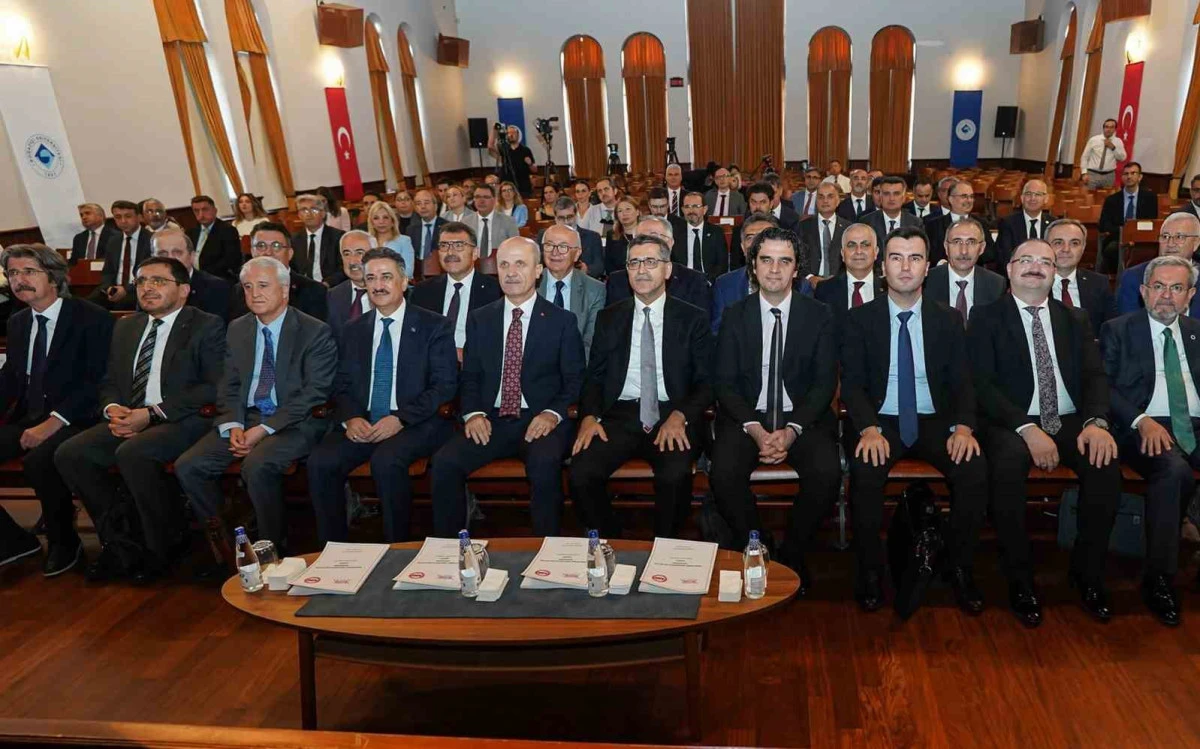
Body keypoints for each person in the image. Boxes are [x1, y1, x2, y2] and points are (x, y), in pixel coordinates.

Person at [969, 239, 1121, 627]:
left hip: (1070, 419)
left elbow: (1094, 376)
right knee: (1007, 464)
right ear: (1009, 269)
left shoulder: (1076, 319)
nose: (1035, 267)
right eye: (1026, 260)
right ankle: (1020, 580)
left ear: (1055, 272)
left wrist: (1096, 422)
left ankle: (1087, 574)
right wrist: (1027, 428)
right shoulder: (985, 317)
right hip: (1011, 420)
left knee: (1104, 464)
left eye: (1045, 262)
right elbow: (982, 384)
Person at [841, 227, 988, 613]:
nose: (905, 267)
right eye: (896, 258)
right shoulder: (859, 319)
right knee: (865, 470)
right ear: (882, 266)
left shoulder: (948, 319)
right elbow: (852, 386)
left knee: (973, 468)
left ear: (927, 268)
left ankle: (959, 567)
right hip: (882, 420)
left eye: (915, 258)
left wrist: (964, 427)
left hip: (934, 419)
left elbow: (963, 382)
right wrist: (868, 428)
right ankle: (870, 571)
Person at [54, 256, 224, 582]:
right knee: (71, 453)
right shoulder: (126, 326)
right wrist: (112, 408)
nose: (147, 287)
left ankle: (163, 546)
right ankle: (122, 544)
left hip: (182, 419)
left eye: (158, 281)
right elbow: (109, 380)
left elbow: (212, 387)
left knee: (134, 453)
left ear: (184, 289)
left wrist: (152, 413)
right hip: (130, 416)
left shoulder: (206, 325)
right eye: (142, 281)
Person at [175, 256, 337, 550]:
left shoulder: (314, 331)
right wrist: (233, 424)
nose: (255, 294)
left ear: (285, 290)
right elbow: (229, 384)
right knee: (189, 465)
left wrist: (264, 430)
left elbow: (314, 394)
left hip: (294, 422)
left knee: (257, 465)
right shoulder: (238, 328)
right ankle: (228, 543)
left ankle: (271, 547)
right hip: (246, 418)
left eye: (263, 285)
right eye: (248, 287)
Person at [710, 227, 839, 585]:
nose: (775, 269)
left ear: (797, 269)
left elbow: (823, 384)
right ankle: (758, 546)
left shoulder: (820, 315)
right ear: (753, 266)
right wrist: (755, 429)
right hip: (746, 417)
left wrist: (792, 430)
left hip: (803, 417)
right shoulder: (735, 315)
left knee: (827, 473)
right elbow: (724, 383)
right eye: (766, 260)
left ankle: (794, 552)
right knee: (722, 473)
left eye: (785, 261)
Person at [430, 237, 584, 536]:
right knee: (444, 462)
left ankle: (546, 547)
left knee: (544, 463)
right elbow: (470, 375)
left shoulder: (561, 321)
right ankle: (450, 549)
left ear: (538, 270)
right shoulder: (480, 319)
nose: (511, 272)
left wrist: (552, 414)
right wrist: (473, 413)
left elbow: (575, 379)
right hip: (491, 419)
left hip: (540, 419)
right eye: (504, 265)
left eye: (520, 264)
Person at [308, 247, 457, 543]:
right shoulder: (353, 329)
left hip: (415, 421)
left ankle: (397, 546)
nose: (378, 285)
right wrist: (351, 417)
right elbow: (341, 383)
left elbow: (444, 385)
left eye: (386, 277)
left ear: (405, 281)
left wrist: (400, 419)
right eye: (371, 278)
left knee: (386, 461)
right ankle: (333, 548)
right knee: (320, 462)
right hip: (364, 421)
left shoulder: (434, 326)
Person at [570, 234, 713, 537]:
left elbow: (707, 381)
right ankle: (612, 542)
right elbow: (594, 376)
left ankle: (665, 546)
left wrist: (681, 416)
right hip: (619, 415)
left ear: (667, 269)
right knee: (581, 471)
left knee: (675, 475)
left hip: (672, 414)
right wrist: (589, 416)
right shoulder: (609, 318)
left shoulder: (692, 318)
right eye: (634, 263)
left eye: (650, 262)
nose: (642, 270)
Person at [0, 245, 113, 576]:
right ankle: (13, 541)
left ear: (54, 276)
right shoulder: (19, 322)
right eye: (13, 273)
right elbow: (11, 379)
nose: (19, 280)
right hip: (29, 415)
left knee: (40, 460)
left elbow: (98, 381)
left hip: (79, 418)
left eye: (29, 271)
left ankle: (64, 541)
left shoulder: (91, 317)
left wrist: (55, 421)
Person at [1101, 255, 1200, 626]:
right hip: (1141, 425)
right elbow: (1104, 387)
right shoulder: (1118, 330)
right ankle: (1159, 579)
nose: (1166, 296)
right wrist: (1140, 421)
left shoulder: (1197, 333)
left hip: (1194, 424)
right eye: (1158, 286)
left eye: (1176, 288)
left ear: (1190, 295)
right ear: (1143, 291)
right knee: (1174, 472)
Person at [408, 222, 502, 352]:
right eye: (444, 246)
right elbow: (415, 337)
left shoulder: (496, 291)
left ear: (475, 253)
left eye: (459, 245)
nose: (450, 252)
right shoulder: (423, 291)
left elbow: (496, 340)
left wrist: (465, 355)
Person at [606, 217, 711, 313]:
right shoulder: (618, 281)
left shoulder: (694, 281)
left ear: (670, 242)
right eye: (640, 239)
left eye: (653, 238)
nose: (646, 245)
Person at [232, 222, 328, 322]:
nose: (268, 252)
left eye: (276, 246)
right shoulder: (239, 291)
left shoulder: (314, 290)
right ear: (252, 252)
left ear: (290, 253)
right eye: (261, 246)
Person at [539, 224, 605, 359]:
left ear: (577, 254)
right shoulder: (529, 284)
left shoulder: (594, 290)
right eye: (549, 245)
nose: (555, 252)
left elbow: (590, 343)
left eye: (563, 247)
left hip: (575, 365)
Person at [1116, 212, 1200, 317]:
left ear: (1196, 243)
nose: (1170, 243)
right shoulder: (1133, 277)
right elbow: (1128, 323)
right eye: (1165, 236)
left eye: (1179, 237)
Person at [923, 218, 1007, 322]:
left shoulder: (996, 284)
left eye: (971, 242)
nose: (963, 251)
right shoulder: (926, 281)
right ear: (946, 247)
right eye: (956, 242)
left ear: (982, 248)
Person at [813, 222, 885, 338]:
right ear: (842, 254)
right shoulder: (825, 290)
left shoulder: (889, 289)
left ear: (876, 252)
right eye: (851, 245)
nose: (858, 251)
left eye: (865, 245)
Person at [1047, 218, 1117, 334]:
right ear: (1046, 247)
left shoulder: (1099, 283)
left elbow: (1111, 330)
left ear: (1083, 248)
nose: (1066, 249)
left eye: (1074, 243)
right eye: (1058, 243)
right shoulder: (1034, 283)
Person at [151, 227, 232, 323]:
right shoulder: (146, 287)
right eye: (162, 254)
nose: (170, 259)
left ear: (192, 256)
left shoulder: (216, 288)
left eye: (177, 253)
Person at [1098, 161, 1158, 274]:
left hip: (1142, 238)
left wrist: (1134, 231)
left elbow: (1152, 222)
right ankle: (1116, 278)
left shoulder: (1150, 198)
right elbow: (1103, 225)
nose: (1129, 176)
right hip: (1117, 238)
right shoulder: (1112, 200)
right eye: (1126, 174)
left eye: (1133, 173)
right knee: (1111, 250)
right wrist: (1124, 231)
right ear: (1122, 177)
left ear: (1140, 177)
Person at [92, 200, 152, 310]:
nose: (123, 221)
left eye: (128, 216)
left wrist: (126, 289)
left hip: (138, 288)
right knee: (86, 304)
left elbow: (150, 273)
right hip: (114, 289)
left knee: (123, 304)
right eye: (118, 217)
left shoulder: (151, 239)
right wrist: (109, 288)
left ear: (139, 217)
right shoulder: (113, 241)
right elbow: (107, 271)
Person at [924, 180, 996, 266]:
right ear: (950, 199)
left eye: (971, 196)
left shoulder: (982, 224)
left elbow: (990, 253)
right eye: (964, 196)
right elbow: (928, 253)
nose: (969, 200)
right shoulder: (933, 225)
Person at [326, 230, 375, 342]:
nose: (352, 261)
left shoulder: (389, 292)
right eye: (346, 254)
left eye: (360, 253)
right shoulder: (332, 296)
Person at [537, 196, 605, 277]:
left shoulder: (593, 237)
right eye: (561, 218)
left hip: (583, 281)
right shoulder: (544, 236)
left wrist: (586, 269)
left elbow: (599, 267)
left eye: (569, 217)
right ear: (555, 218)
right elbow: (538, 264)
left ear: (576, 215)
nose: (566, 222)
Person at [996, 179, 1055, 268]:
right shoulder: (1008, 223)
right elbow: (1005, 257)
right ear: (1022, 198)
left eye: (1038, 194)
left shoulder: (1053, 224)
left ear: (1046, 199)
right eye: (1028, 194)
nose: (1032, 198)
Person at [799, 183, 852, 283]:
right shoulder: (803, 226)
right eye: (821, 197)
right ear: (816, 201)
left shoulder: (848, 228)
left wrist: (839, 278)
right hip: (810, 283)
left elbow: (852, 259)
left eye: (830, 196)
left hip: (840, 282)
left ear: (838, 201)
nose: (825, 201)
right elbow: (798, 257)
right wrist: (810, 277)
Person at [291, 193, 347, 286]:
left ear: (323, 213)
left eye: (314, 209)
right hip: (303, 288)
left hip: (330, 287)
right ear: (299, 215)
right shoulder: (294, 240)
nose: (309, 214)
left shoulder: (338, 237)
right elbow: (292, 269)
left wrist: (327, 284)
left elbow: (344, 268)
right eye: (304, 210)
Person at [186, 195, 244, 281]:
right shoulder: (191, 231)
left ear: (215, 210)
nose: (201, 214)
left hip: (219, 277)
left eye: (205, 209)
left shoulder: (227, 230)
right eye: (196, 211)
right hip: (194, 277)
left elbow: (231, 260)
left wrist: (203, 275)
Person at [676, 191, 729, 279]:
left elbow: (722, 265)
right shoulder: (675, 233)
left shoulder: (716, 232)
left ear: (705, 209)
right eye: (687, 207)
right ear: (682, 210)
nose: (691, 211)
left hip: (708, 281)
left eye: (696, 206)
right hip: (682, 281)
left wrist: (709, 282)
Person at [862, 176, 922, 242]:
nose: (891, 198)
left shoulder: (916, 223)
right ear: (880, 197)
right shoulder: (867, 222)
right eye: (886, 194)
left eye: (896, 194)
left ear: (904, 197)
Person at [365, 200, 415, 276]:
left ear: (392, 221)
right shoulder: (366, 241)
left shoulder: (404, 241)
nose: (381, 221)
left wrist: (386, 278)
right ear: (371, 223)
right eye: (376, 218)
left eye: (385, 217)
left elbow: (408, 271)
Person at [471, 184, 519, 256]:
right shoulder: (465, 222)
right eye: (477, 197)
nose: (481, 201)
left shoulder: (509, 221)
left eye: (486, 197)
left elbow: (516, 247)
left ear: (494, 200)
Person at [488, 124, 535, 196]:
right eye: (508, 133)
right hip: (507, 186)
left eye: (513, 133)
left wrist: (530, 164)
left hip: (523, 187)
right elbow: (490, 146)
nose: (511, 135)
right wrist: (494, 130)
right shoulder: (504, 149)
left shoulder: (526, 150)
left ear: (518, 135)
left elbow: (534, 170)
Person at [1080, 118, 1127, 189]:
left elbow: (1122, 158)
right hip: (1092, 174)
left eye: (1111, 127)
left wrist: (1113, 148)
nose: (1108, 129)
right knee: (1088, 195)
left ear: (1115, 129)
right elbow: (1084, 157)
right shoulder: (1094, 140)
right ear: (1103, 128)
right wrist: (1084, 173)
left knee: (1106, 195)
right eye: (1106, 127)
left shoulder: (1118, 141)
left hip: (1109, 176)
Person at [405, 189, 447, 264]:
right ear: (415, 208)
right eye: (418, 204)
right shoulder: (411, 230)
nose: (423, 206)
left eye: (426, 203)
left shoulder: (447, 227)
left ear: (435, 206)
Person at [604, 196, 642, 274]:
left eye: (628, 209)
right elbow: (609, 265)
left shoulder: (647, 232)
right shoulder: (611, 235)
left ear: (637, 212)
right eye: (620, 211)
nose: (624, 214)